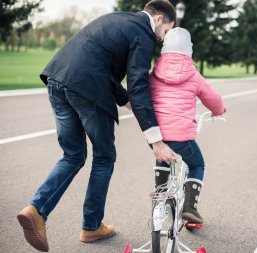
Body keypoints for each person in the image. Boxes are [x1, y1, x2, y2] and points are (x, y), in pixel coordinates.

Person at [16, 1, 177, 252]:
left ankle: (35, 209)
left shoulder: (117, 20)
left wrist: (131, 106)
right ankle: (91, 226)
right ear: (158, 19)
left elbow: (100, 67)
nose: (162, 38)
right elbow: (137, 84)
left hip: (57, 79)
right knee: (103, 156)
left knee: (72, 155)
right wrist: (156, 141)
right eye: (166, 31)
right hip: (86, 88)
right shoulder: (144, 34)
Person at [149, 27, 226, 224]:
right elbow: (213, 99)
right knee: (197, 164)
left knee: (162, 156)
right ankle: (190, 207)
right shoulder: (193, 75)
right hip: (182, 136)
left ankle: (160, 196)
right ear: (189, 51)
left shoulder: (154, 73)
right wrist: (219, 111)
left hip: (156, 135)